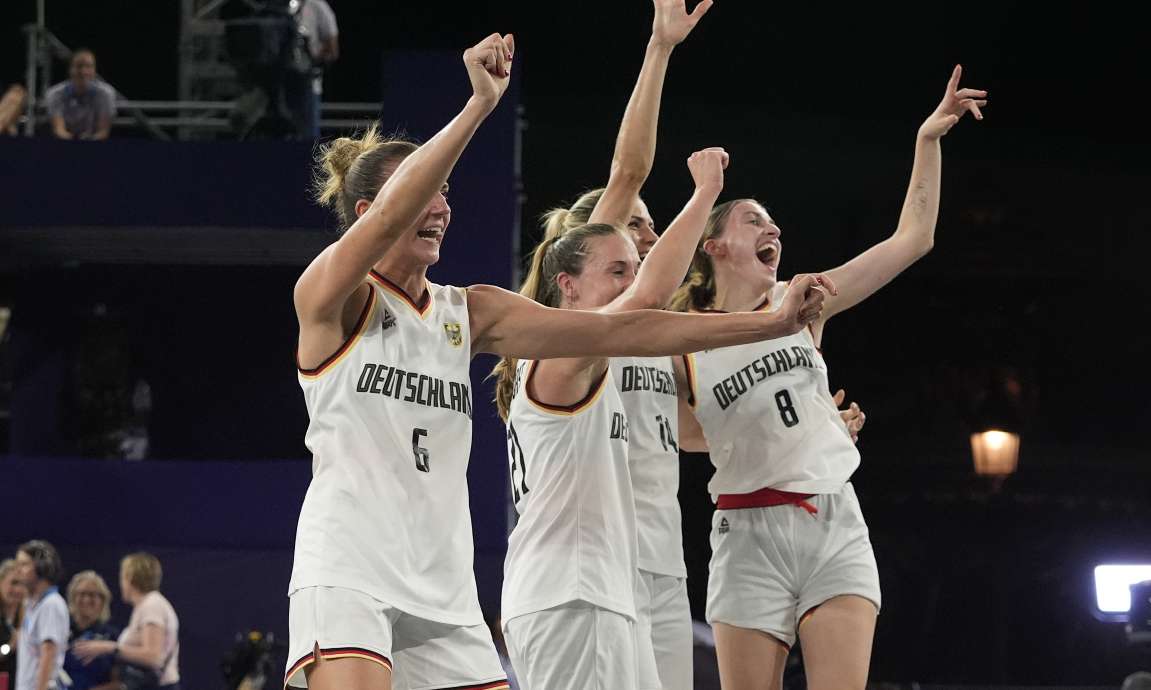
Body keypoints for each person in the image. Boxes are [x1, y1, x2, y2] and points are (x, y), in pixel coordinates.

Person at [286, 33, 825, 690]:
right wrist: (478, 107)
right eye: (424, 190)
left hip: (445, 587)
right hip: (351, 569)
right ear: (371, 212)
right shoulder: (329, 298)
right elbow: (395, 211)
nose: (441, 205)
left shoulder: (470, 310)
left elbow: (621, 328)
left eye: (447, 191)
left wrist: (766, 322)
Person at [668, 65, 986, 690]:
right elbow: (687, 435)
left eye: (773, 223)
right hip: (745, 530)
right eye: (754, 221)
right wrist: (782, 428)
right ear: (714, 247)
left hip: (831, 518)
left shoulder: (802, 303)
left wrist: (928, 141)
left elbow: (913, 238)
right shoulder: (682, 337)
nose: (773, 230)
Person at [503, 1, 710, 687]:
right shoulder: (580, 330)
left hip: (649, 550)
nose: (646, 239)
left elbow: (690, 433)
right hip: (590, 562)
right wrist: (659, 51)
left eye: (649, 233)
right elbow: (629, 173)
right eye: (632, 233)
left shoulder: (659, 336)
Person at [73, 553, 180, 690]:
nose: (121, 584)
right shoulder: (146, 605)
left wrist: (109, 647)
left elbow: (153, 657)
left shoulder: (152, 605)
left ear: (130, 577)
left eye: (122, 577)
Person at [14, 540, 69, 690]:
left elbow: (48, 654)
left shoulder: (51, 605)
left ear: (42, 567)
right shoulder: (34, 606)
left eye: (24, 564)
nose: (17, 571)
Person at [64, 571, 120, 690]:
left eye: (93, 595)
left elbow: (120, 683)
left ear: (103, 600)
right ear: (72, 597)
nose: (86, 599)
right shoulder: (60, 632)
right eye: (82, 594)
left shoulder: (112, 636)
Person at [45, 49, 116, 141]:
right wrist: (76, 143)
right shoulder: (55, 94)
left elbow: (103, 131)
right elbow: (59, 130)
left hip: (95, 144)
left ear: (94, 70)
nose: (83, 72)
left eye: (89, 67)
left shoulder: (106, 93)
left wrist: (88, 142)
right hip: (64, 144)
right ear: (70, 69)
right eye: (79, 66)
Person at [294, 0, 338, 138]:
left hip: (308, 84)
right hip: (277, 85)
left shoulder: (318, 6)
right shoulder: (276, 6)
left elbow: (333, 51)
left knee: (308, 137)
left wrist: (311, 59)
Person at [0, 559, 28, 684]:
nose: (18, 590)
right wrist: (10, 646)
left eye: (23, 584)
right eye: (14, 583)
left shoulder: (30, 617)